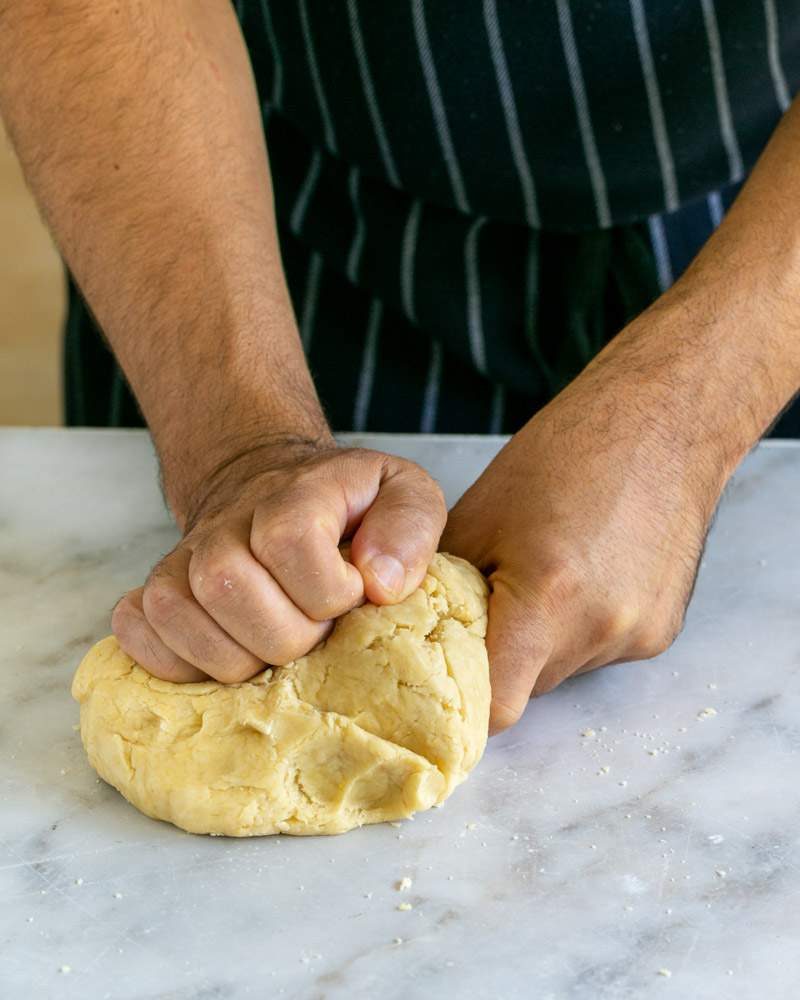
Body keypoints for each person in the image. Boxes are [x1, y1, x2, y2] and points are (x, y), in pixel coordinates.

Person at [2, 2, 798, 732]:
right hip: (243, 216)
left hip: (763, 242)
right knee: (246, 590)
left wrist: (692, 411)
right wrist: (238, 454)